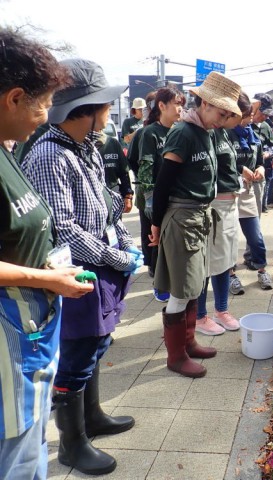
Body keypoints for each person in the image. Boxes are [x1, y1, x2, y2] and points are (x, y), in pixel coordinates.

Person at [22, 58, 142, 476]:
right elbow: (66, 230)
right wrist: (117, 257)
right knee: (76, 355)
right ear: (84, 111)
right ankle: (72, 444)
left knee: (96, 343)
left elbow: (107, 210)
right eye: (104, 107)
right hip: (74, 272)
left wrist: (125, 242)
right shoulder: (49, 155)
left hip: (99, 265)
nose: (110, 114)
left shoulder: (86, 147)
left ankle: (92, 418)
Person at [0, 28, 95, 480]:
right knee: (15, 449)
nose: (45, 115)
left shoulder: (7, 149)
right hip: (9, 334)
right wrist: (45, 280)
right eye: (42, 103)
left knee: (30, 439)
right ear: (13, 98)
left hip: (30, 326)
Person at [148, 72, 241, 378]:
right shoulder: (183, 133)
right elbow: (163, 183)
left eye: (228, 114)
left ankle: (188, 343)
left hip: (200, 216)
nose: (223, 118)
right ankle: (175, 356)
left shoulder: (207, 133)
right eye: (220, 112)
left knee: (195, 284)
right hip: (181, 217)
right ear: (203, 103)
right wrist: (157, 224)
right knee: (180, 289)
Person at [195, 108, 247, 334]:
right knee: (207, 263)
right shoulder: (206, 132)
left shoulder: (225, 133)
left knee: (226, 261)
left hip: (229, 205)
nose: (241, 121)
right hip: (213, 206)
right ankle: (199, 316)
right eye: (239, 116)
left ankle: (221, 310)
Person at [137, 87, 185, 302]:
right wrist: (149, 196)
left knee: (169, 240)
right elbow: (145, 164)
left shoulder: (179, 130)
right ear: (162, 106)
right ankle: (158, 282)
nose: (180, 108)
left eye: (182, 104)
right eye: (176, 103)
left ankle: (171, 279)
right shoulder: (150, 133)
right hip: (154, 195)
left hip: (173, 195)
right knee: (154, 240)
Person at [227, 92, 273, 294]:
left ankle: (261, 268)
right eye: (246, 116)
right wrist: (240, 170)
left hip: (248, 191)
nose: (249, 120)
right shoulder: (225, 133)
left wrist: (260, 168)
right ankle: (230, 275)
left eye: (249, 116)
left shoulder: (252, 133)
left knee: (255, 236)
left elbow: (258, 159)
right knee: (229, 237)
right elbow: (222, 161)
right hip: (228, 192)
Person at [126, 90, 157, 276]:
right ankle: (152, 264)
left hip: (164, 193)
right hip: (145, 192)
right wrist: (143, 178)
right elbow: (130, 159)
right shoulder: (142, 133)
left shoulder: (172, 130)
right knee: (147, 229)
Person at [251, 93, 273, 214]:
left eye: (268, 114)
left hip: (260, 172)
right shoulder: (242, 124)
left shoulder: (266, 126)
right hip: (242, 175)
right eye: (263, 113)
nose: (265, 117)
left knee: (256, 209)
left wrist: (267, 153)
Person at [96, 130, 133, 213]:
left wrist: (128, 196)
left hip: (113, 196)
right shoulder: (79, 145)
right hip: (92, 200)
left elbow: (124, 172)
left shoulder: (112, 143)